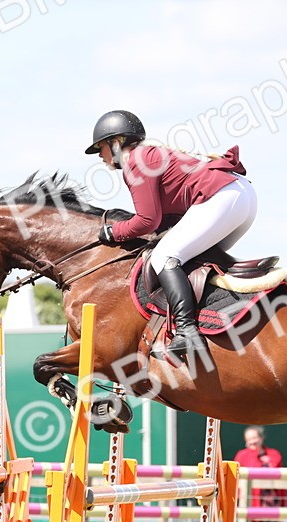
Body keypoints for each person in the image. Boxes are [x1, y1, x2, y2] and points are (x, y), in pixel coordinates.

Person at [86, 109, 257, 360]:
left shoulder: (135, 161)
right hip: (241, 197)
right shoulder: (148, 155)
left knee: (165, 257)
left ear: (116, 143)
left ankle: (187, 332)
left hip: (224, 196)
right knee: (190, 260)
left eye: (100, 148)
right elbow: (164, 221)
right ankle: (211, 319)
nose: (100, 156)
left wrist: (113, 232)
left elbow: (147, 220)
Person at [233, 426, 287, 522]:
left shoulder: (274, 455)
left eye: (254, 437)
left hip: (272, 504)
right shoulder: (242, 456)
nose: (252, 441)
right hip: (252, 504)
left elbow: (282, 482)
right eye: (248, 439)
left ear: (261, 438)